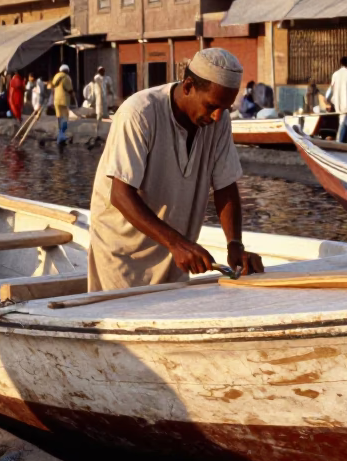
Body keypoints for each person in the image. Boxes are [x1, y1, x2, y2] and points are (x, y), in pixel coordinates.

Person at [88, 48, 264, 291]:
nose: (216, 116)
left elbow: (225, 185)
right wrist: (177, 244)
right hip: (123, 253)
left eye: (225, 108)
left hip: (174, 252)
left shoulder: (219, 120)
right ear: (189, 86)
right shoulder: (139, 113)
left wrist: (235, 244)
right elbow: (120, 194)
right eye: (212, 105)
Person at [51, 64, 74, 144]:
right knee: (65, 117)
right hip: (64, 100)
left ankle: (60, 134)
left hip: (56, 100)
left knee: (59, 116)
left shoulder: (56, 76)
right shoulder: (67, 78)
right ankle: (62, 135)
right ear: (67, 70)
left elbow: (52, 85)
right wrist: (73, 95)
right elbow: (70, 89)